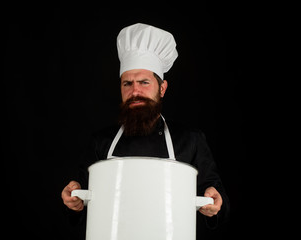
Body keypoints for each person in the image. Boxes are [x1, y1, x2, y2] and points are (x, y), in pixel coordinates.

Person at [61, 23, 229, 235]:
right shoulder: (100, 142)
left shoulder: (191, 140)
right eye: (127, 84)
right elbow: (76, 204)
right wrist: (72, 198)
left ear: (162, 88)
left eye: (144, 82)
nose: (135, 91)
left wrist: (215, 201)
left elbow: (219, 202)